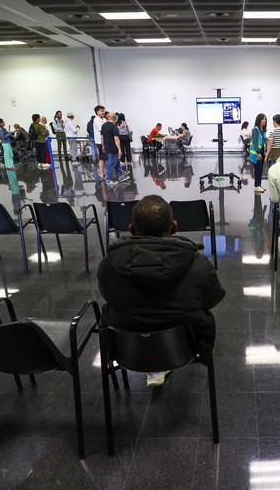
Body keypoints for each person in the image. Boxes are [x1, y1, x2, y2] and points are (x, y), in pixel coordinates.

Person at [97, 195, 225, 387]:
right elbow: (212, 300)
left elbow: (108, 297)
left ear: (132, 229)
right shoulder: (199, 265)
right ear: (174, 227)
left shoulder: (108, 265)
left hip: (125, 350)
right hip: (186, 347)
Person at [102, 111, 127, 185]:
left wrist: (103, 146)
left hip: (107, 146)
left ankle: (120, 176)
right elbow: (116, 139)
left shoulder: (103, 126)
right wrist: (119, 149)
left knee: (116, 163)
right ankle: (108, 179)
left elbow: (102, 138)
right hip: (113, 147)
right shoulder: (114, 127)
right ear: (115, 118)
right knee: (111, 163)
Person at [250, 113, 268, 194]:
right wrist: (258, 153)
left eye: (265, 119)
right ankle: (257, 186)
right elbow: (254, 142)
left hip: (262, 152)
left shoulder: (263, 130)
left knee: (261, 169)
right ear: (259, 120)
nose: (264, 120)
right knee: (257, 169)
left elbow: (263, 141)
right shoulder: (255, 129)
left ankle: (259, 185)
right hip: (256, 153)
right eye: (263, 119)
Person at [93, 105, 107, 175]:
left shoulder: (104, 119)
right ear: (97, 112)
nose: (103, 112)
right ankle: (102, 174)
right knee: (102, 158)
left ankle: (104, 173)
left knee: (105, 158)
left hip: (105, 140)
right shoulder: (97, 120)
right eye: (102, 111)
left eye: (104, 111)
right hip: (100, 142)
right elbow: (102, 129)